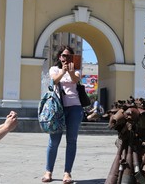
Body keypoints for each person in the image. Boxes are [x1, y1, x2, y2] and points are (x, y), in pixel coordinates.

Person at [42, 46, 84, 184]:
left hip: (75, 107)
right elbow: (53, 81)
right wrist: (63, 71)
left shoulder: (77, 70)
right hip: (57, 108)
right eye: (64, 56)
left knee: (71, 141)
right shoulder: (54, 69)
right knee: (53, 141)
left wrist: (70, 72)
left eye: (69, 56)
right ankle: (48, 171)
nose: (66, 58)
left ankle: (67, 173)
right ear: (60, 57)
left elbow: (75, 80)